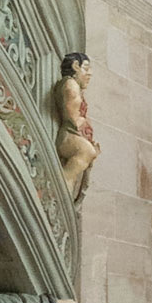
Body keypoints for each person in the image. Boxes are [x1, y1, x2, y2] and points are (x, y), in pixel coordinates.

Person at [56, 52, 99, 199]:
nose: (89, 73)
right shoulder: (71, 84)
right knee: (87, 151)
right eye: (86, 68)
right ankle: (61, 191)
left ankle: (66, 193)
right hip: (68, 135)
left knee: (88, 153)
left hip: (73, 135)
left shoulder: (74, 86)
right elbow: (74, 119)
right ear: (75, 66)